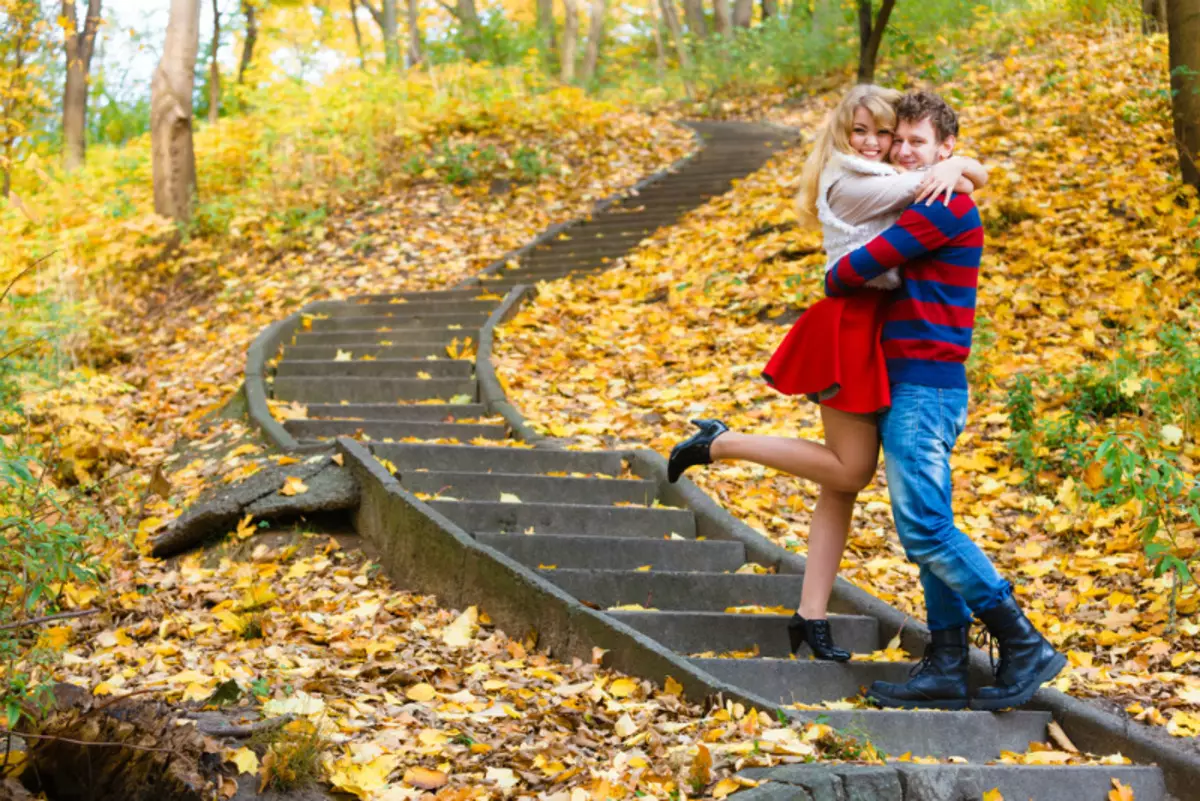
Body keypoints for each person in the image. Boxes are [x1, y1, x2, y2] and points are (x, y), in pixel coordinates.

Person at [665, 85, 988, 662]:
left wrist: (959, 162)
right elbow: (936, 184)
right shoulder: (853, 178)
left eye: (885, 134)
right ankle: (723, 442)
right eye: (861, 131)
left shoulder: (888, 170)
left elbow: (938, 186)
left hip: (877, 329)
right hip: (848, 325)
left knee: (842, 482)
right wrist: (959, 164)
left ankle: (810, 615)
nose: (877, 143)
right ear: (840, 134)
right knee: (849, 470)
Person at [821, 90, 1066, 711]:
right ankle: (948, 664)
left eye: (917, 144)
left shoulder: (941, 206)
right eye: (896, 140)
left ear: (944, 149)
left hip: (926, 387)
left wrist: (957, 173)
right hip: (913, 379)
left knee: (926, 529)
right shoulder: (931, 194)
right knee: (927, 526)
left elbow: (846, 273)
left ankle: (1022, 640)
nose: (903, 152)